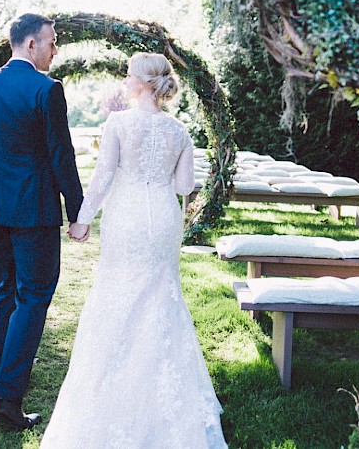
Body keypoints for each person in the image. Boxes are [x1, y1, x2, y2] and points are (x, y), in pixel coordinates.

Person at [40, 52, 228, 448]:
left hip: (126, 216)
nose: (124, 81)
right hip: (162, 218)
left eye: (128, 76)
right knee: (162, 295)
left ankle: (114, 389)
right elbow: (183, 186)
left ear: (143, 82)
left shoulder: (118, 124)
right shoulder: (179, 131)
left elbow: (104, 176)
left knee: (117, 293)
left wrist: (83, 218)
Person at [0, 13, 87, 431]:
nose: (55, 50)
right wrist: (77, 211)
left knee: (6, 293)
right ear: (30, 44)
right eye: (52, 42)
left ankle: (4, 383)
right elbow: (61, 156)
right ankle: (7, 399)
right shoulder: (47, 90)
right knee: (33, 298)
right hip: (33, 212)